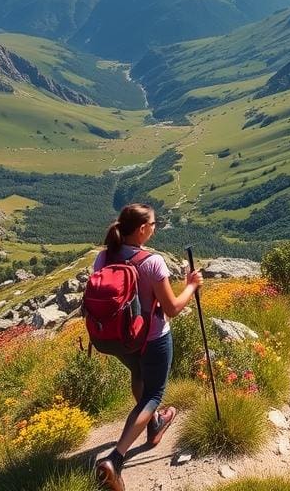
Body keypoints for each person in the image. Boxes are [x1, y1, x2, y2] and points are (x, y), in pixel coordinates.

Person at [93, 203, 203, 491]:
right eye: (153, 224)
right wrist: (191, 286)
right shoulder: (152, 262)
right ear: (142, 229)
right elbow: (172, 307)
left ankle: (154, 425)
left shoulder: (103, 257)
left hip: (118, 340)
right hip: (152, 337)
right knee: (153, 393)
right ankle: (114, 460)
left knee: (139, 376)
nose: (155, 228)